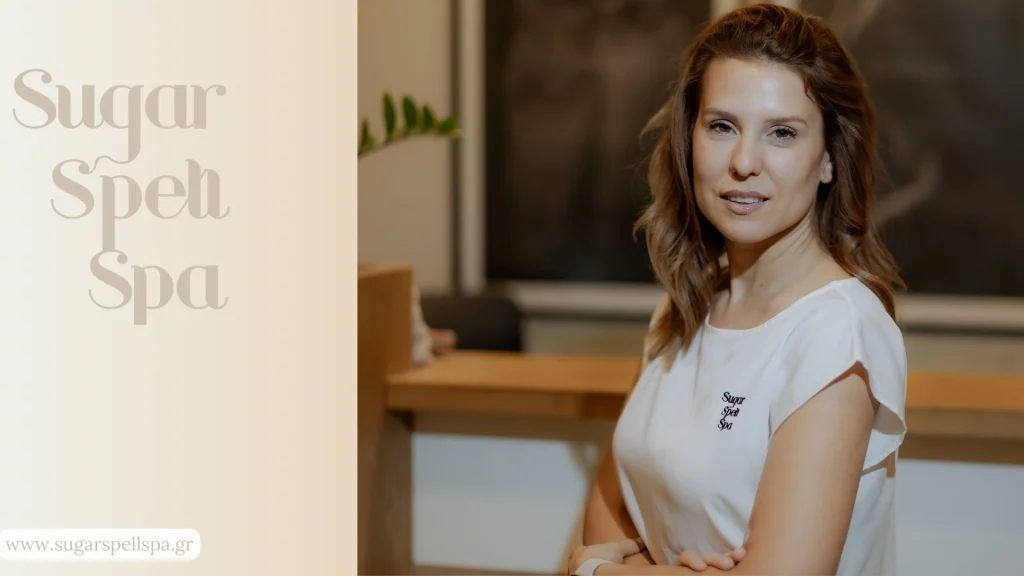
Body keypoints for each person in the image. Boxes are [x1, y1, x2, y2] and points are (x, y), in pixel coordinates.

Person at [567, 4, 908, 575]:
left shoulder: (838, 332)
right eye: (722, 126)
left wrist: (604, 573)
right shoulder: (684, 304)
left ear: (829, 158)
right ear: (690, 138)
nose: (744, 162)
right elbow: (613, 497)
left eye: (782, 133)